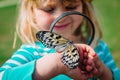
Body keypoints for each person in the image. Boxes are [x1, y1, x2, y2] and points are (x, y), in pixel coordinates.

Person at [0, 0, 120, 80]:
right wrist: (55, 64)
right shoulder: (32, 52)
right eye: (49, 9)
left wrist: (103, 72)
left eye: (71, 7)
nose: (60, 17)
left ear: (84, 6)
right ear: (32, 12)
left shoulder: (99, 47)